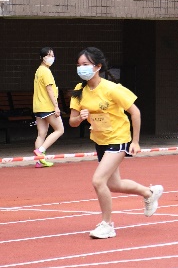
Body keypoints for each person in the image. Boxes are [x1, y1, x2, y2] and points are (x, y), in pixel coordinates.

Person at [69, 47, 162, 239]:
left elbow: (135, 112)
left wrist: (135, 141)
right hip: (100, 140)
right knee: (114, 184)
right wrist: (80, 118)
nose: (81, 69)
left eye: (85, 65)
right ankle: (149, 193)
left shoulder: (112, 88)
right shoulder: (79, 91)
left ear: (98, 66)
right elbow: (72, 121)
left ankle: (107, 224)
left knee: (98, 181)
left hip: (118, 139)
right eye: (79, 65)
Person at [33, 47, 64, 167]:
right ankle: (41, 151)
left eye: (52, 55)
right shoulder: (46, 71)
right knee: (60, 129)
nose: (51, 57)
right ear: (42, 57)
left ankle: (39, 161)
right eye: (48, 55)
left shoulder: (39, 70)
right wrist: (56, 106)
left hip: (38, 107)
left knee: (41, 133)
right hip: (47, 106)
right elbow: (49, 89)